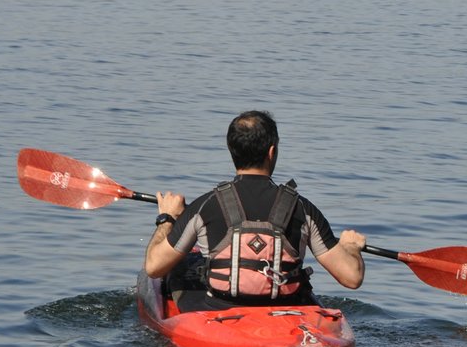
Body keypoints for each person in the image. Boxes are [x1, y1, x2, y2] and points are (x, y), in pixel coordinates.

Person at [144, 110, 367, 311]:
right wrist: (351, 247)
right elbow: (352, 278)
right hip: (286, 311)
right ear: (272, 152)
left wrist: (168, 218)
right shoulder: (302, 208)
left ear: (232, 151)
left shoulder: (206, 205)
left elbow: (154, 267)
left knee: (180, 267)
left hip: (220, 310)